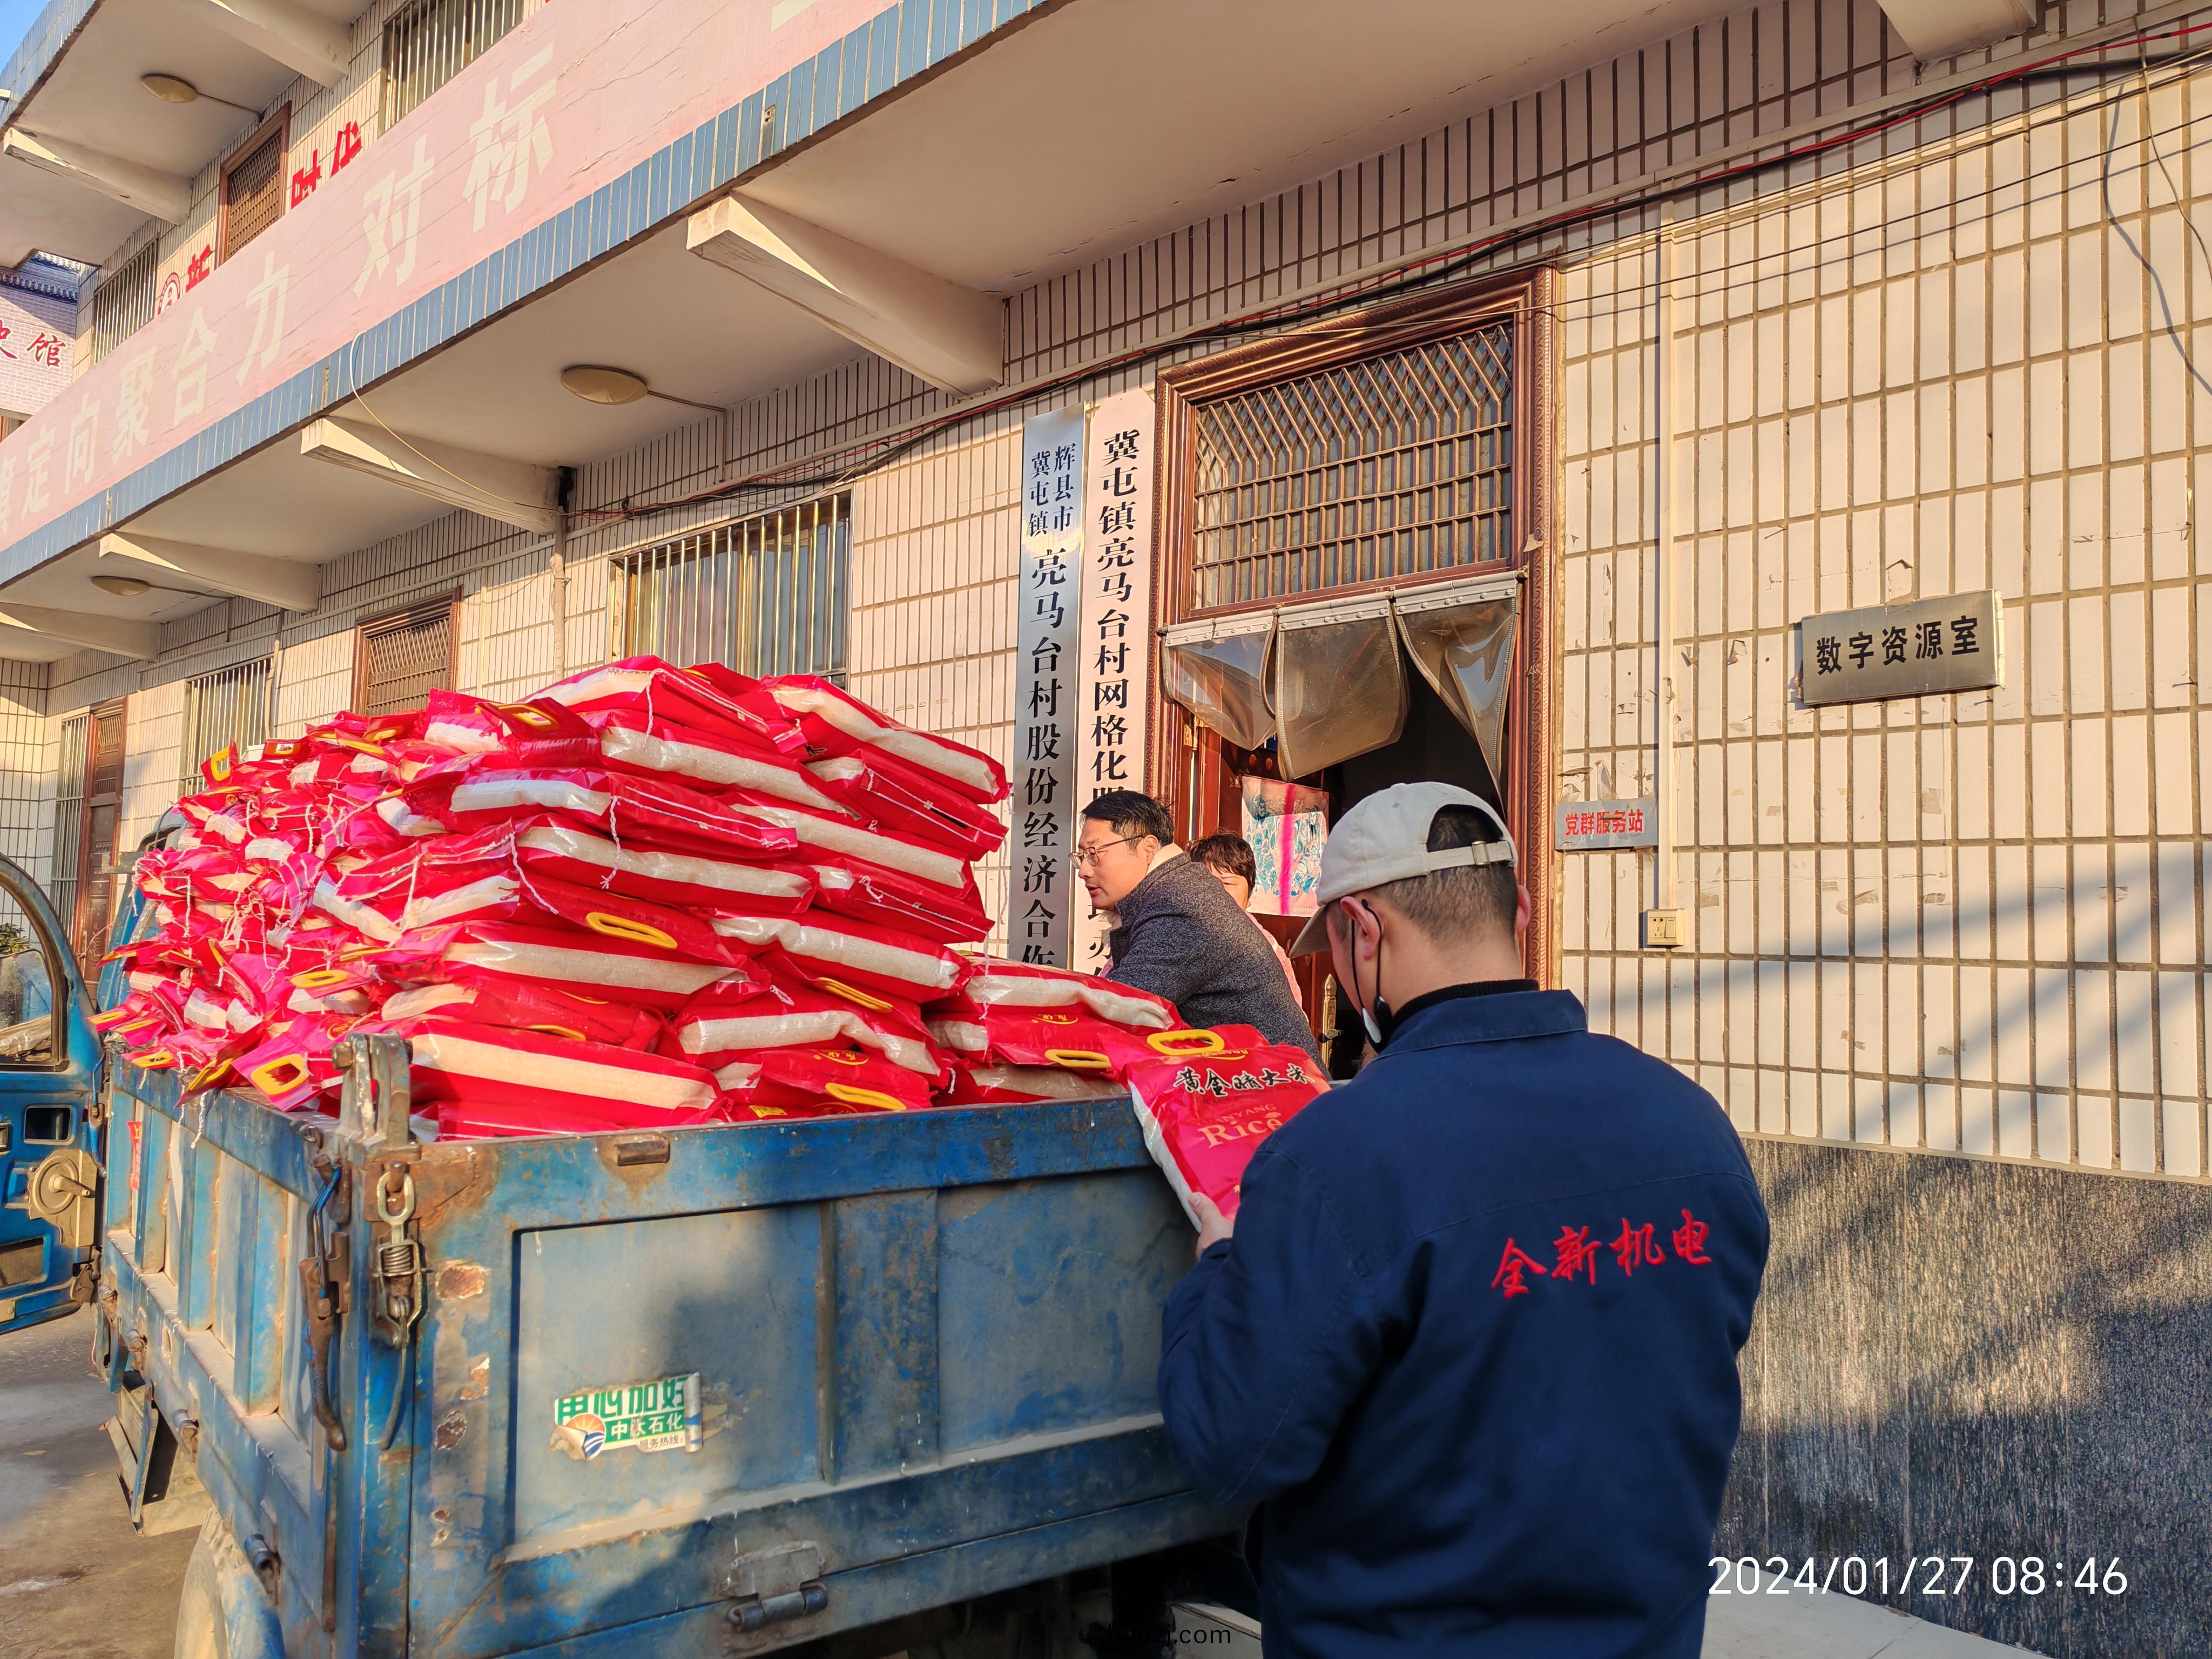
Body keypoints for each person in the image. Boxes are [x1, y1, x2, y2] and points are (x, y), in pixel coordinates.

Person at [1156, 781, 1769, 1658]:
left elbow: (1229, 1447)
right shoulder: (1693, 1124)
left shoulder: (1335, 1156)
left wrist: (1216, 1268)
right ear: (1517, 910)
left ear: (1362, 932)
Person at [1076, 790, 1318, 1059]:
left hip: (1277, 1090)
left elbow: (1116, 1011)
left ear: (1147, 848)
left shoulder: (1180, 908)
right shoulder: (1172, 894)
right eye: (1081, 856)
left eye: (1095, 853)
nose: (1084, 870)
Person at [1189, 831, 1303, 1008]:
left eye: (1228, 884)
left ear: (1249, 891)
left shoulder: (1265, 948)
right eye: (1208, 883)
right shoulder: (1182, 935)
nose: (1218, 893)